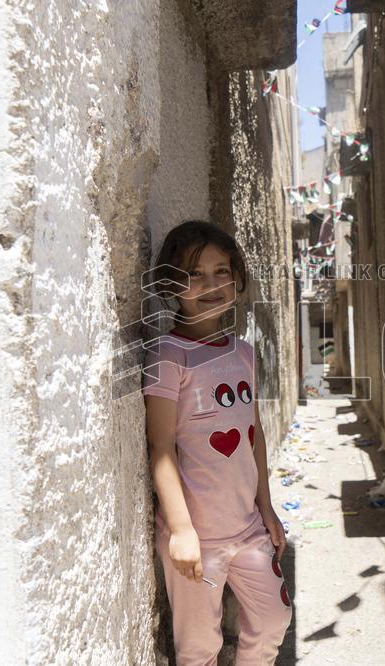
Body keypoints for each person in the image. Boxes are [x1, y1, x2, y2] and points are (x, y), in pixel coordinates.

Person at [141, 220, 292, 665]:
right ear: (171, 285)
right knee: (199, 646)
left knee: (273, 618)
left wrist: (267, 509)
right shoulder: (169, 356)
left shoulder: (243, 352)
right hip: (197, 540)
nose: (211, 284)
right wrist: (182, 530)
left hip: (247, 529)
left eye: (222, 271)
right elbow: (161, 446)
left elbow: (253, 434)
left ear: (237, 279)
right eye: (194, 274)